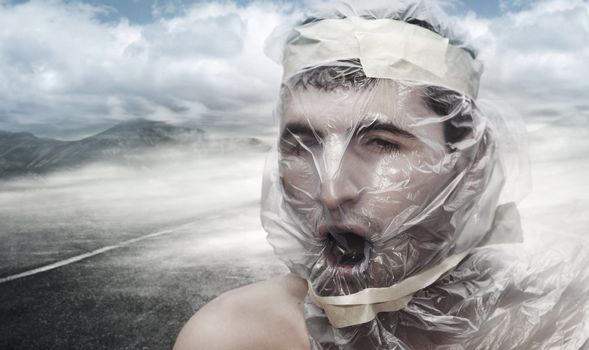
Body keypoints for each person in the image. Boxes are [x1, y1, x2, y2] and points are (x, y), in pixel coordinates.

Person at [174, 1, 589, 349]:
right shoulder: (235, 337)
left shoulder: (557, 326)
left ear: (472, 162)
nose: (331, 190)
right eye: (303, 145)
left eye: (382, 143)